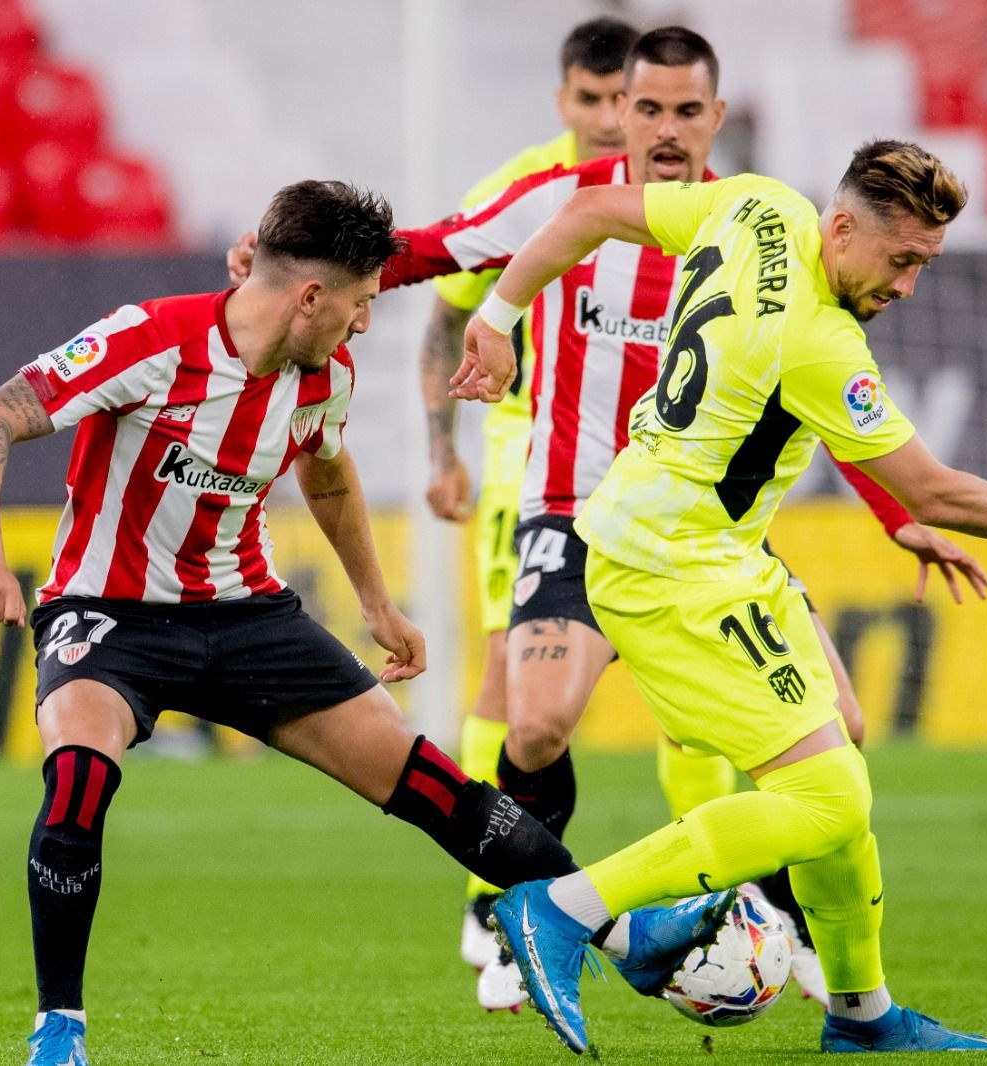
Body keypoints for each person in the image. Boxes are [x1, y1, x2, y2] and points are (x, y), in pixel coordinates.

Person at [318, 25, 987, 1009]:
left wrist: (896, 512)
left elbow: (821, 395)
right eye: (643, 108)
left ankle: (785, 935)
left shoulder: (754, 227)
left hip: (708, 541)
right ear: (611, 112)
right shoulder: (564, 204)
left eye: (686, 111)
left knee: (819, 733)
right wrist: (293, 262)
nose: (663, 130)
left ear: (715, 118)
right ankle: (523, 914)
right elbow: (431, 254)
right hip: (571, 508)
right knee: (538, 722)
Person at [454, 139, 987, 1054]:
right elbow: (935, 491)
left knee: (840, 781)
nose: (907, 287)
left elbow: (589, 213)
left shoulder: (753, 204)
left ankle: (862, 1017)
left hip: (706, 546)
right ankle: (563, 907)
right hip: (671, 566)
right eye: (902, 259)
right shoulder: (820, 342)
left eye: (925, 265)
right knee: (825, 797)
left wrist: (501, 313)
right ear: (843, 227)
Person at [0, 180, 630, 1066]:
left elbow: (329, 476)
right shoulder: (149, 340)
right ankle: (59, 1030)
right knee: (78, 781)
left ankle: (624, 935)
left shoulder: (322, 375)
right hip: (110, 615)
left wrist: (379, 605)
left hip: (245, 618)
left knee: (427, 784)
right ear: (310, 296)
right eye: (357, 304)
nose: (363, 325)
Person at [414, 14, 640, 990]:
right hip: (528, 461)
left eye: (616, 101)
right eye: (585, 101)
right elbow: (444, 318)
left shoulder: (687, 200)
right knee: (510, 673)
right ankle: (493, 897)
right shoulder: (527, 195)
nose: (601, 119)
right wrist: (442, 450)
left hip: (651, 477)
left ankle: (769, 903)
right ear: (562, 101)